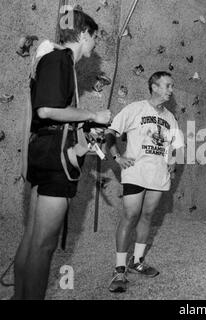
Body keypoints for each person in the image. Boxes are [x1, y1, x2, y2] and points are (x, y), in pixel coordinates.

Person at [13, 9, 111, 299]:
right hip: (55, 157)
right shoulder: (60, 60)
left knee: (32, 238)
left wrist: (83, 125)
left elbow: (49, 112)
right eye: (94, 37)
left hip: (44, 150)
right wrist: (95, 113)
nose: (94, 45)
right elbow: (47, 110)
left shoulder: (52, 60)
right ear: (83, 35)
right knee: (44, 245)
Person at [106, 71, 184, 293]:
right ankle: (119, 268)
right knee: (130, 215)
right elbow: (111, 132)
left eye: (171, 86)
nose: (171, 90)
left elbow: (178, 145)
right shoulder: (135, 109)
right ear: (155, 87)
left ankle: (137, 261)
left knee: (148, 216)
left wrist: (174, 161)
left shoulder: (170, 117)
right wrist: (116, 156)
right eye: (167, 85)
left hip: (158, 176)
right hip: (135, 172)